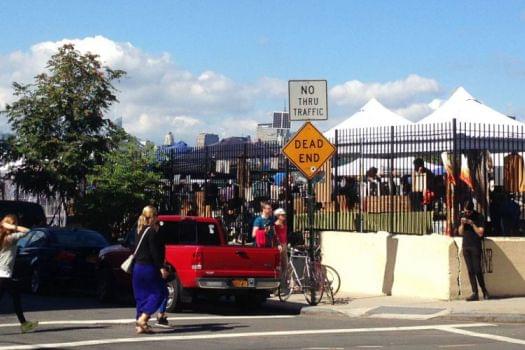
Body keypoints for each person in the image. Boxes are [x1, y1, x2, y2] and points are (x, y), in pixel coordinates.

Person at [132, 206, 169, 334]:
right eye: (156, 215)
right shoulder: (151, 231)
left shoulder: (138, 230)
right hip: (148, 267)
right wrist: (161, 267)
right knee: (159, 293)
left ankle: (139, 324)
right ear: (152, 217)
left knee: (141, 296)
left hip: (137, 267)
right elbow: (154, 253)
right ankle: (143, 319)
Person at [0, 214, 39, 333]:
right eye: (15, 223)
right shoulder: (11, 238)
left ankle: (24, 324)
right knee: (16, 298)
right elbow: (28, 231)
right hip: (4, 275)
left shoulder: (2, 237)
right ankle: (24, 324)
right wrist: (12, 226)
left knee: (15, 298)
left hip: (3, 275)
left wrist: (4, 225)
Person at [458, 201, 489, 301]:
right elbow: (460, 232)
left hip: (475, 246)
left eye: (468, 212)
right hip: (466, 246)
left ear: (472, 210)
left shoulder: (479, 217)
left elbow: (480, 233)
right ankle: (474, 292)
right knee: (470, 271)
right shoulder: (462, 216)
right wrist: (462, 224)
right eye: (465, 212)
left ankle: (484, 290)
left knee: (477, 270)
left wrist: (472, 224)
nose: (466, 214)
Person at [273, 208, 288, 281]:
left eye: (284, 215)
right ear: (278, 216)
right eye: (282, 215)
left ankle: (284, 280)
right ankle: (278, 280)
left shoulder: (284, 224)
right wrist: (278, 244)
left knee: (285, 264)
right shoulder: (276, 225)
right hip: (279, 245)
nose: (284, 216)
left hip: (284, 244)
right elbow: (275, 236)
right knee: (279, 264)